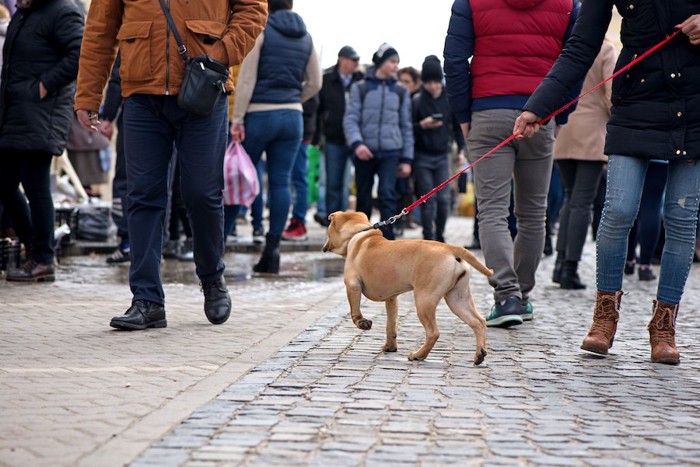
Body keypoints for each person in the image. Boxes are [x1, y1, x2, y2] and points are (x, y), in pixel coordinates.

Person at [514, 6, 700, 365]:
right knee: (618, 209)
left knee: (681, 218)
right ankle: (604, 317)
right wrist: (539, 106)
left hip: (691, 107)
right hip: (634, 103)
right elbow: (580, 47)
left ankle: (664, 327)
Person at [75, 0, 267, 329]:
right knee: (143, 196)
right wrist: (88, 96)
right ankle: (147, 299)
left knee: (202, 193)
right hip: (141, 94)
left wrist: (222, 52)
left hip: (203, 85)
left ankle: (212, 279)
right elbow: (99, 30)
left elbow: (253, 8)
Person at [444, 0, 580, 328]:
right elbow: (576, 60)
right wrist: (560, 113)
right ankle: (522, 295)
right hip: (541, 112)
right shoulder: (568, 4)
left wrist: (463, 115)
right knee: (533, 212)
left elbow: (454, 60)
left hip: (488, 111)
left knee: (492, 210)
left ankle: (507, 296)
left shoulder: (470, 2)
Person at [231, 0, 322, 273]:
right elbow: (315, 83)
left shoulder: (262, 31)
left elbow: (246, 79)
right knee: (282, 182)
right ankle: (273, 251)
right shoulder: (306, 37)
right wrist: (294, 100)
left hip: (259, 115)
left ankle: (219, 242)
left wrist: (238, 117)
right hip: (292, 117)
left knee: (242, 176)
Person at [0, 0, 84, 282]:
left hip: (42, 112)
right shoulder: (25, 14)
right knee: (5, 183)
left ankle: (43, 258)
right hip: (16, 110)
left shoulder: (63, 10)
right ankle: (33, 247)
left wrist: (45, 84)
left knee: (36, 185)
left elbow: (79, 54)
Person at [551, 37, 617, 289]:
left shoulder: (568, 43)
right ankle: (570, 268)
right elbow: (612, 90)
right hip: (592, 130)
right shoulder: (605, 46)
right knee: (581, 201)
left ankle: (559, 263)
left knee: (570, 198)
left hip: (565, 128)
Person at [343, 43, 414, 241]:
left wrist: (407, 159)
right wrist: (357, 144)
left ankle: (387, 242)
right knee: (363, 198)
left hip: (391, 152)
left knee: (387, 196)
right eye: (392, 61)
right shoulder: (361, 88)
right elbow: (351, 118)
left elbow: (406, 125)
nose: (395, 66)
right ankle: (362, 240)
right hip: (365, 151)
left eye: (397, 62)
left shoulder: (401, 91)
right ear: (381, 62)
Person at [411, 55, 465, 242]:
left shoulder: (449, 100)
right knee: (428, 199)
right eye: (429, 82)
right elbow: (409, 128)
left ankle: (440, 235)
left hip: (443, 155)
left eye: (436, 82)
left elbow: (458, 127)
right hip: (422, 156)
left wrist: (461, 151)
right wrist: (422, 125)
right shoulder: (416, 100)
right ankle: (428, 237)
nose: (433, 86)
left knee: (444, 200)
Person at [315, 45, 364, 220]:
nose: (357, 63)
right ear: (342, 59)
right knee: (332, 183)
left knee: (350, 184)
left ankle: (346, 221)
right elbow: (318, 110)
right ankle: (333, 221)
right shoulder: (327, 79)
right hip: (333, 138)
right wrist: (316, 136)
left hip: (357, 139)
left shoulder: (361, 80)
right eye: (354, 60)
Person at [282, 94, 320, 242]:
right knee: (287, 180)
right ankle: (291, 223)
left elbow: (313, 103)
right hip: (297, 130)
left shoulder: (304, 77)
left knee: (297, 179)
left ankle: (299, 223)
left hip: (301, 132)